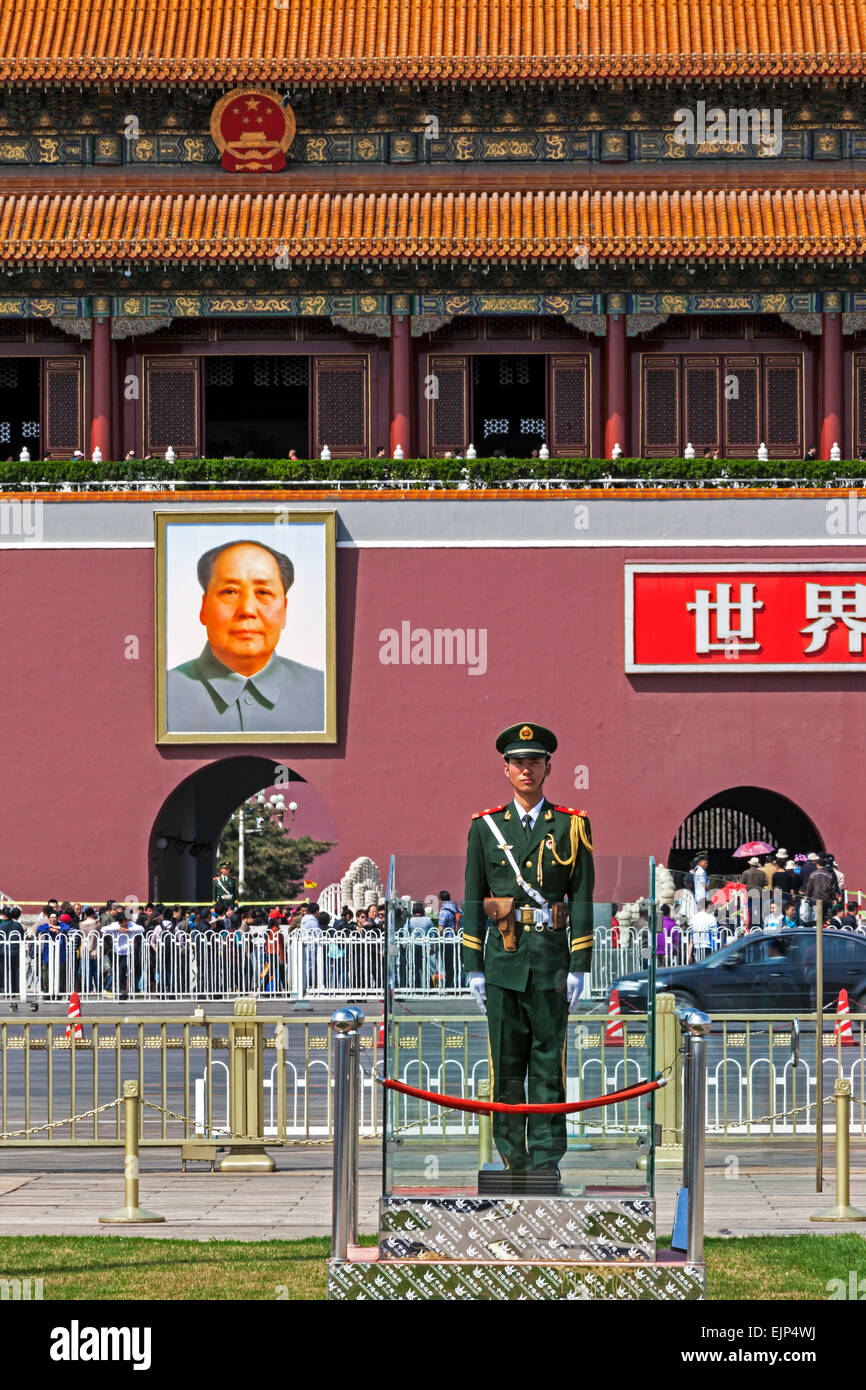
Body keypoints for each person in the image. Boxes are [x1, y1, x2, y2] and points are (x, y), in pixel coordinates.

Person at [462, 721, 594, 1179]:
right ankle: (512, 1158)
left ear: (548, 767)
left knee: (548, 1064)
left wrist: (581, 965)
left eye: (534, 762)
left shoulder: (573, 825)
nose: (526, 770)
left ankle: (545, 1160)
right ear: (506, 769)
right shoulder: (485, 828)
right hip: (503, 960)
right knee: (506, 1064)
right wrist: (472, 967)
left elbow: (581, 897)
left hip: (552, 961)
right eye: (518, 762)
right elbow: (472, 899)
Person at [166, 539, 325, 733]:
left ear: (284, 610)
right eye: (230, 591)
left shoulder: (324, 694)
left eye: (263, 592)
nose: (247, 610)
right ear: (203, 608)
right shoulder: (161, 695)